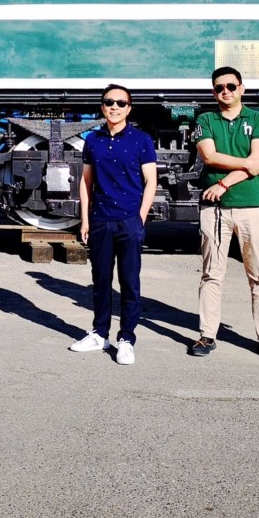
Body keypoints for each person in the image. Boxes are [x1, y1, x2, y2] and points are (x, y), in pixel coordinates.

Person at [190, 66, 259, 361]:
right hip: (215, 209)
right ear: (213, 92)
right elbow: (210, 156)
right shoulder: (205, 119)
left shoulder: (258, 119)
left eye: (231, 86)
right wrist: (247, 164)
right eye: (219, 87)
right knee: (211, 273)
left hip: (251, 206)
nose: (225, 91)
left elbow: (258, 160)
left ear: (242, 88)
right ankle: (207, 335)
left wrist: (224, 183)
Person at [70, 85, 157, 366]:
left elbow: (151, 181)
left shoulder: (141, 140)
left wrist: (140, 217)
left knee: (129, 282)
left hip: (129, 220)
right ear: (102, 107)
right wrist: (85, 219)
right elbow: (86, 182)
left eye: (121, 103)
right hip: (101, 219)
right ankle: (99, 334)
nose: (115, 107)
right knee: (101, 280)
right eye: (109, 102)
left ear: (129, 108)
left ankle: (126, 339)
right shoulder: (92, 140)